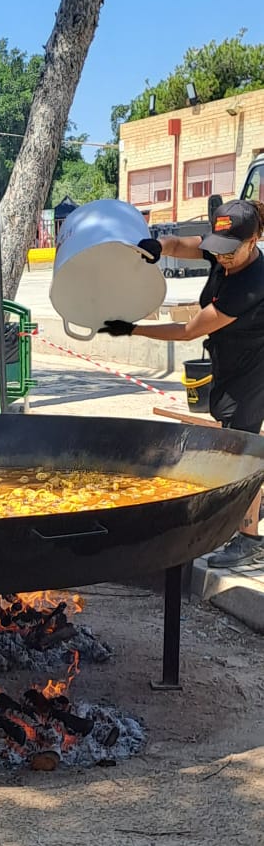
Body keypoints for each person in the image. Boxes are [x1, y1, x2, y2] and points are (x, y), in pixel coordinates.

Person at [101, 197, 264, 571]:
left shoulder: (252, 284)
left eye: (229, 252)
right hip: (231, 361)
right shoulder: (224, 249)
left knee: (243, 446)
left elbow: (188, 330)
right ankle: (250, 503)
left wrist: (132, 329)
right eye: (217, 249)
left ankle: (250, 540)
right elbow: (177, 244)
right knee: (236, 438)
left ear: (253, 241)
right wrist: (158, 247)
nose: (221, 257)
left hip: (254, 369)